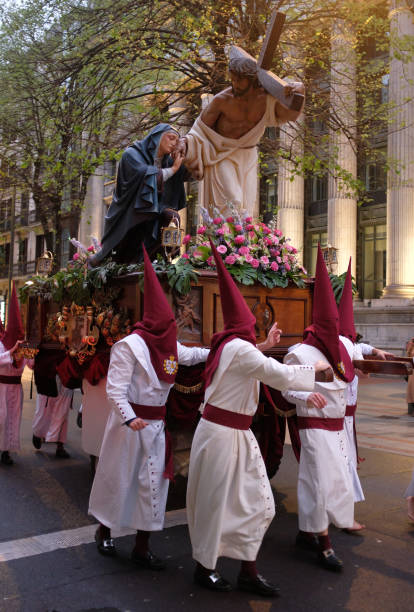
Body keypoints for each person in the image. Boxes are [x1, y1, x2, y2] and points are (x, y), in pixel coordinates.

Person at [186, 241, 330, 596]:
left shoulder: (230, 346)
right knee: (217, 503)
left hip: (233, 434)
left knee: (256, 502)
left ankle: (247, 569)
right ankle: (206, 568)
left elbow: (249, 360)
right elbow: (272, 372)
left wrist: (265, 343)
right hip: (222, 436)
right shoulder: (239, 349)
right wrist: (319, 371)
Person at [88, 246, 209, 568]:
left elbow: (191, 355)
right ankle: (105, 530)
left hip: (156, 427)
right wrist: (130, 420)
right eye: (169, 325)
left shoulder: (168, 344)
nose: (174, 331)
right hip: (130, 428)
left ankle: (143, 546)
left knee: (153, 485)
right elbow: (115, 390)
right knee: (120, 480)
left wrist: (223, 349)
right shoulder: (130, 346)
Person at [282, 245, 356, 572]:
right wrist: (304, 395)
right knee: (319, 482)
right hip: (313, 427)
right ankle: (324, 545)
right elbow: (285, 386)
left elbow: (355, 363)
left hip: (338, 429)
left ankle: (307, 532)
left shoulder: (342, 348)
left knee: (338, 482)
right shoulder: (299, 353)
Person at [181, 54, 304, 217]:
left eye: (239, 80)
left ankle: (242, 241)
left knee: (246, 208)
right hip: (222, 155)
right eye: (232, 79)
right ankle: (225, 241)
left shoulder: (265, 100)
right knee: (233, 200)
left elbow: (290, 115)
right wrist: (185, 142)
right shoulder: (222, 100)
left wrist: (300, 90)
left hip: (248, 155)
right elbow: (199, 130)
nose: (235, 84)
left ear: (251, 79)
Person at [338, 259, 394, 532]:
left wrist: (373, 352)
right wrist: (358, 368)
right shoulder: (340, 344)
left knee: (344, 464)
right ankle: (343, 516)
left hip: (346, 417)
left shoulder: (347, 341)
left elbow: (357, 349)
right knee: (344, 465)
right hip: (339, 419)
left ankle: (335, 515)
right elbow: (348, 362)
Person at [90, 124, 189, 266]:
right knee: (129, 245)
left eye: (176, 141)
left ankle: (161, 259)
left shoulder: (167, 160)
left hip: (153, 211)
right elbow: (145, 176)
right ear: (157, 137)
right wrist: (173, 169)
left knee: (171, 217)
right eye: (171, 138)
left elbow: (187, 172)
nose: (174, 143)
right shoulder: (132, 154)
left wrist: (185, 147)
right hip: (130, 212)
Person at [0, 283, 28, 465]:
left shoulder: (22, 345)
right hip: (1, 388)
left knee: (13, 419)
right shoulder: (2, 344)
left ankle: (7, 451)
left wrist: (32, 352)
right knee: (1, 418)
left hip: (16, 389)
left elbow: (31, 364)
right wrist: (11, 351)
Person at [406, 338, 414, 416]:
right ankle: (411, 410)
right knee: (411, 389)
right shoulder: (411, 348)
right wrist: (410, 346)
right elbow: (408, 356)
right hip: (412, 372)